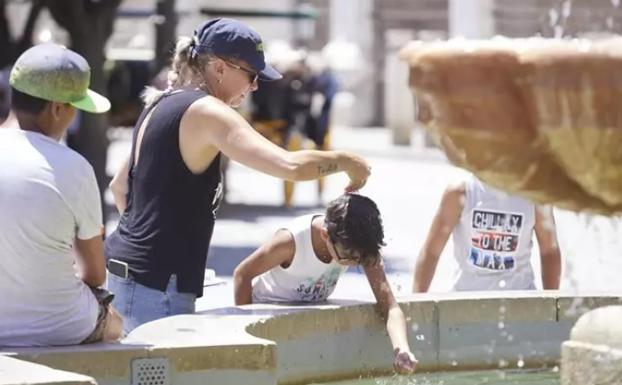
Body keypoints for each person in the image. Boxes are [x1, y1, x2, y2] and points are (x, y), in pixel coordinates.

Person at [105, 18, 370, 333]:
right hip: (157, 284)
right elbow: (288, 165)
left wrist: (151, 243)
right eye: (252, 75)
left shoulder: (161, 103)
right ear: (219, 68)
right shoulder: (208, 112)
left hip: (130, 274)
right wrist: (345, 160)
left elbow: (119, 186)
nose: (256, 86)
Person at [0, 43, 123, 346]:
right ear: (57, 108)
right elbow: (94, 275)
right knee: (117, 323)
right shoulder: (73, 167)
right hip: (61, 325)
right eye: (75, 108)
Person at [233, 193, 417, 373]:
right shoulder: (290, 242)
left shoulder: (358, 246)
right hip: (268, 312)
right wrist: (248, 339)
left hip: (304, 322)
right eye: (348, 257)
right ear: (325, 235)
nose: (355, 262)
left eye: (359, 260)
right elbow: (242, 274)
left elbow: (390, 306)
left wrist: (401, 349)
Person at [412, 174, 562, 292]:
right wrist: (416, 307)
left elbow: (549, 251)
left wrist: (553, 308)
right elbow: (431, 252)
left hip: (520, 301)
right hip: (466, 302)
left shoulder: (534, 196)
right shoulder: (461, 191)